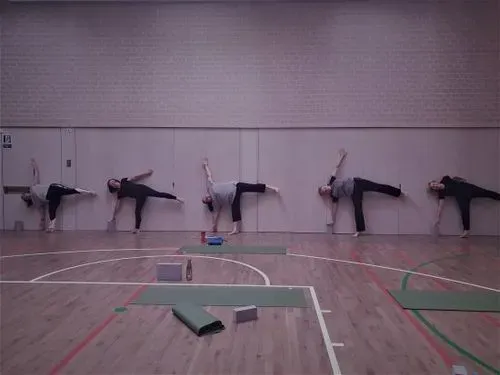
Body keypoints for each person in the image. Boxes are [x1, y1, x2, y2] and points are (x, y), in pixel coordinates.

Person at [318, 149, 405, 237]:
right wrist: (332, 219)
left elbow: (336, 167)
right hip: (354, 193)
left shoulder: (331, 180)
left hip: (357, 182)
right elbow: (334, 207)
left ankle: (398, 192)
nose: (325, 190)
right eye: (324, 192)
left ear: (325, 185)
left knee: (377, 187)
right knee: (357, 209)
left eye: (324, 188)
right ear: (326, 193)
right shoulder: (334, 195)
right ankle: (359, 230)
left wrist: (341, 157)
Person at [202, 158, 279, 235]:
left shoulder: (212, 185)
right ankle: (236, 229)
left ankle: (271, 187)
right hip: (233, 198)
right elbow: (215, 213)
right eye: (206, 199)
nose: (206, 196)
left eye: (205, 197)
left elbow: (209, 175)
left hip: (236, 186)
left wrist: (206, 166)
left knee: (252, 187)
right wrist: (214, 225)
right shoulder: (216, 201)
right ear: (209, 201)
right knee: (235, 210)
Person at [21, 158, 96, 232]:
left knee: (70, 190)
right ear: (27, 200)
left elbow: (36, 175)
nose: (26, 195)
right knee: (51, 210)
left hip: (52, 188)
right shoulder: (36, 202)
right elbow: (42, 211)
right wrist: (42, 221)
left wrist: (34, 165)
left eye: (25, 194)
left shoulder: (32, 188)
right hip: (51, 197)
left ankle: (89, 192)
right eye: (25, 197)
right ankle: (51, 227)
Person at [107, 169, 184, 233]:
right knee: (137, 211)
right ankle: (137, 229)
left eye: (113, 181)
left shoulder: (124, 180)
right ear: (112, 187)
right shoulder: (119, 194)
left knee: (158, 194)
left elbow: (135, 177)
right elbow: (116, 205)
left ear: (115, 180)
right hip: (139, 197)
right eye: (112, 184)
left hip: (143, 189)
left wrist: (146, 173)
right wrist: (113, 216)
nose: (114, 183)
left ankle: (176, 198)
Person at [428, 176, 500, 238]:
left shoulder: (445, 179)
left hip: (467, 187)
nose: (435, 186)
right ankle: (466, 231)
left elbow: (454, 178)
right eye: (433, 187)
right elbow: (440, 206)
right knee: (464, 211)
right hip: (460, 197)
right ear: (434, 189)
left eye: (434, 184)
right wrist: (437, 218)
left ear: (436, 182)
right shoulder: (441, 193)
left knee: (485, 192)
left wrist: (461, 180)